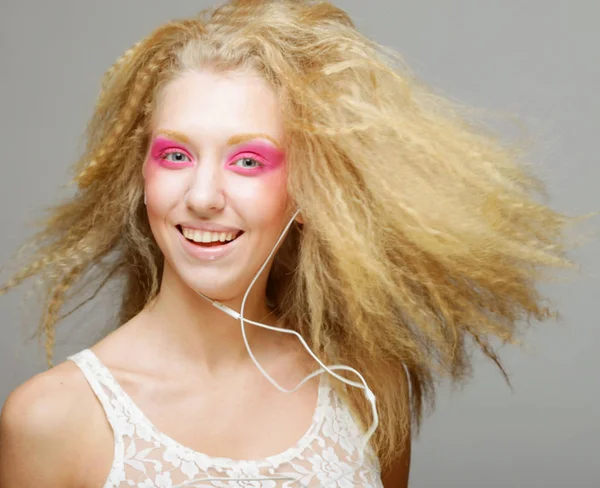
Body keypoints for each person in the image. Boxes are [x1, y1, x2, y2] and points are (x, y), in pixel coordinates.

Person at [0, 0, 588, 486]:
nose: (203, 195)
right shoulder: (53, 419)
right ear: (143, 178)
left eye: (248, 159)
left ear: (309, 191)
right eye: (176, 155)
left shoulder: (369, 384)